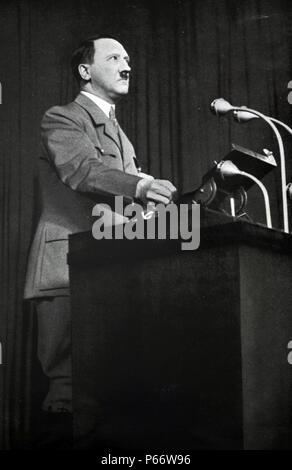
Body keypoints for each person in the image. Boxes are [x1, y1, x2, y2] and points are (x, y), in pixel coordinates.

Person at [24, 34, 177, 439]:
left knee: (106, 400)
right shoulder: (63, 117)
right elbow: (81, 169)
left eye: (128, 57)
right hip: (69, 271)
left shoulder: (120, 134)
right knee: (68, 396)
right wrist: (142, 188)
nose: (127, 65)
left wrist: (159, 211)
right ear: (85, 71)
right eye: (114, 57)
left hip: (109, 270)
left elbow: (124, 203)